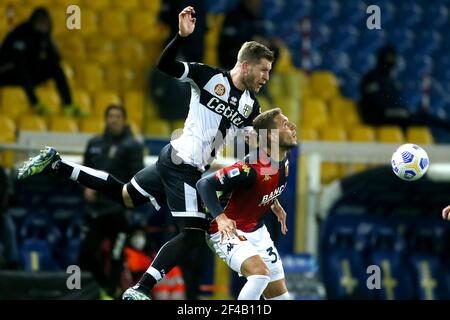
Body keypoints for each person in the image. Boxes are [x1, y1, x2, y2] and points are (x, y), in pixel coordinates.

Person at [17, 6, 278, 300]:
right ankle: (140, 289)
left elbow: (252, 144)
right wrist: (180, 37)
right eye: (263, 70)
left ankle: (57, 164)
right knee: (192, 234)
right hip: (183, 165)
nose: (267, 77)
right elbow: (165, 66)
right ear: (245, 65)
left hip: (175, 159)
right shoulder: (208, 77)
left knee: (126, 195)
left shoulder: (249, 106)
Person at [196, 108, 295, 300]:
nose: (292, 126)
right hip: (226, 230)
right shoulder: (249, 168)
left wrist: (274, 202)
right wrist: (221, 218)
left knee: (281, 297)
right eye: (284, 124)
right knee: (259, 275)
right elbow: (204, 184)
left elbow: (262, 186)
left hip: (257, 230)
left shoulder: (284, 159)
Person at [78, 104, 144, 299]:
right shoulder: (94, 143)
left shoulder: (133, 146)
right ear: (106, 119)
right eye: (110, 116)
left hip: (118, 210)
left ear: (124, 120)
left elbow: (137, 177)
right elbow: (85, 170)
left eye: (117, 116)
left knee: (116, 256)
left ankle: (110, 293)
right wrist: (86, 187)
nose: (113, 120)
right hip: (95, 210)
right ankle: (99, 288)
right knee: (86, 253)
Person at [0, 7, 81, 116]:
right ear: (34, 22)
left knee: (56, 68)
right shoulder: (20, 33)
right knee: (20, 66)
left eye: (46, 23)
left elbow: (56, 58)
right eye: (41, 22)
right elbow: (14, 61)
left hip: (29, 73)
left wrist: (48, 41)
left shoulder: (44, 36)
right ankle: (36, 104)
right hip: (8, 74)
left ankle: (69, 105)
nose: (44, 26)